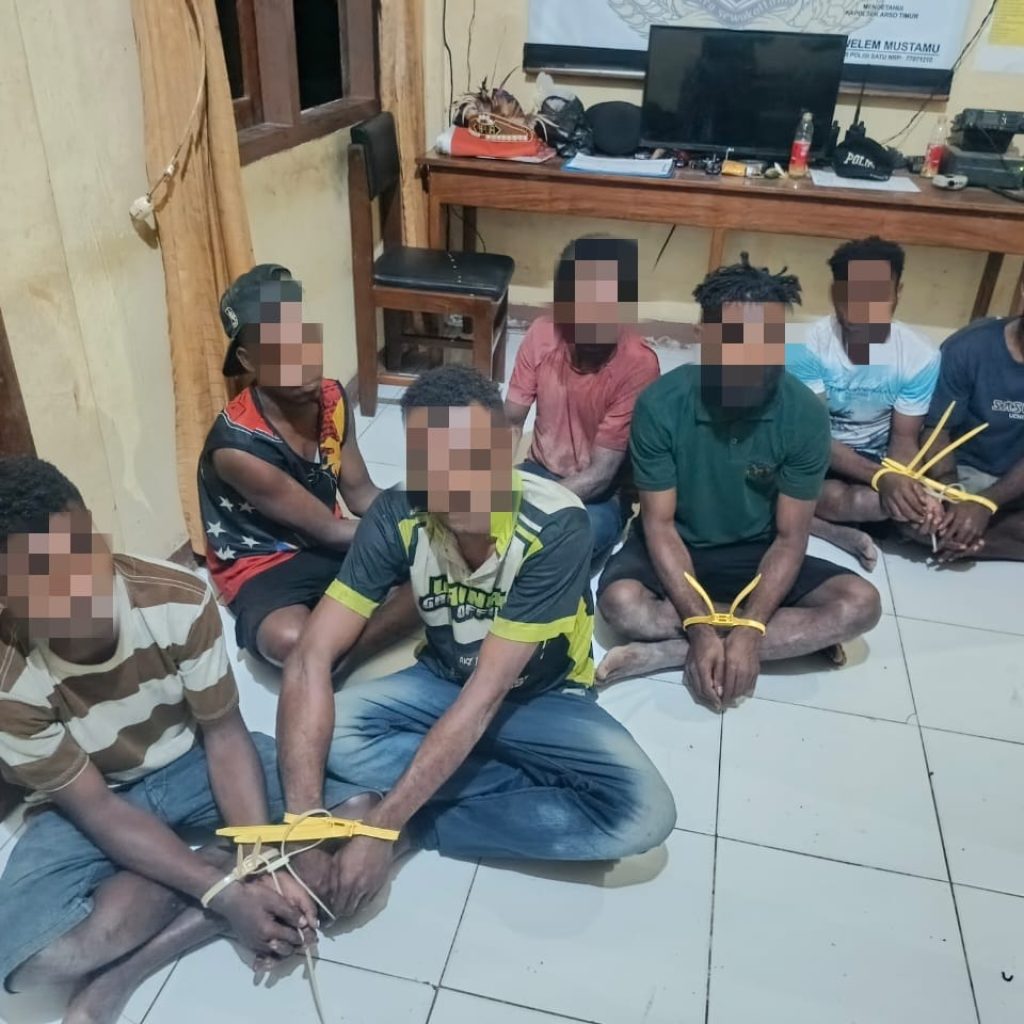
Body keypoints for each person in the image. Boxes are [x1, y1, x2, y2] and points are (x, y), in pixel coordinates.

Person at [278, 365, 676, 917]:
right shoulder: (397, 513)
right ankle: (496, 779)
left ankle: (422, 823)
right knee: (335, 729)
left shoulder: (557, 524)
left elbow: (487, 695)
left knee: (644, 815)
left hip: (540, 695)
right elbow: (308, 659)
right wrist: (302, 826)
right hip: (443, 678)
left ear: (507, 446)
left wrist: (385, 827)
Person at [0, 457, 370, 1024]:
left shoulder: (173, 599)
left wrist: (252, 857)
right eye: (43, 582)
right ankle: (211, 874)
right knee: (31, 957)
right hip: (91, 800)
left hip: (193, 762)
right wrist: (226, 890)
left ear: (96, 530)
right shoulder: (9, 680)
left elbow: (224, 735)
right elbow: (96, 809)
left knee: (358, 811)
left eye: (80, 553)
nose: (77, 588)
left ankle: (133, 962)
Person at [595, 255, 882, 707]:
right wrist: (700, 626)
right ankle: (776, 639)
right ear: (703, 335)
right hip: (678, 544)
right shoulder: (662, 404)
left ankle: (672, 653)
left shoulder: (804, 413)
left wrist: (749, 631)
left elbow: (790, 538)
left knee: (860, 604)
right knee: (620, 605)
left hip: (756, 551)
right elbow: (660, 526)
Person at [198, 264, 415, 667]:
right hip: (262, 561)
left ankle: (327, 659)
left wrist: (428, 511)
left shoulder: (332, 398)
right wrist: (414, 534)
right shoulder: (238, 446)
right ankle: (325, 655)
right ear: (248, 359)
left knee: (434, 568)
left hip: (327, 542)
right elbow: (329, 530)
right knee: (289, 638)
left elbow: (362, 495)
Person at [504, 236, 660, 571]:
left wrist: (528, 509)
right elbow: (511, 423)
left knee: (559, 543)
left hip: (600, 496)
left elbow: (599, 476)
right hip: (538, 471)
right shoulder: (542, 334)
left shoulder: (638, 364)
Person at [787, 237, 942, 570]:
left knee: (883, 504)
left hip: (873, 459)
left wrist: (905, 484)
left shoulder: (920, 355)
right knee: (774, 483)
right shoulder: (805, 347)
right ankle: (830, 529)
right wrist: (882, 478)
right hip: (813, 452)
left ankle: (823, 520)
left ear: (898, 292)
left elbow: (903, 439)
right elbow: (815, 437)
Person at [908, 306, 1024, 562]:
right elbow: (936, 432)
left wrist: (986, 503)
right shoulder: (969, 346)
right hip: (960, 474)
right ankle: (969, 535)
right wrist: (954, 496)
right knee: (915, 516)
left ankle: (970, 543)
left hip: (1015, 483)